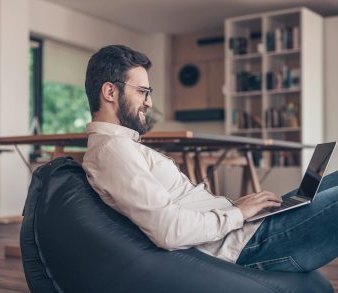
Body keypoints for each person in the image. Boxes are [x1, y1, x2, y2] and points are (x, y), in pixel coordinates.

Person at [82, 44, 338, 272]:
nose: (149, 102)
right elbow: (169, 231)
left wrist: (235, 208)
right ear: (110, 92)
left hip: (241, 230)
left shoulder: (121, 145)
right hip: (247, 244)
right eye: (142, 91)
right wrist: (237, 213)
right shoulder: (113, 151)